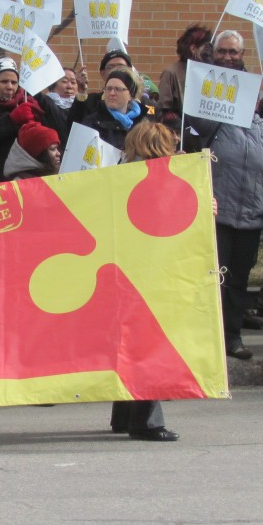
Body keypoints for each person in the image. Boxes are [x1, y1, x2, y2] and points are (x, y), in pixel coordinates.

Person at [184, 65, 263, 361]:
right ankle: (204, 339)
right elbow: (192, 116)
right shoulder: (215, 124)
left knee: (238, 283)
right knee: (211, 278)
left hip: (251, 220)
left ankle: (232, 336)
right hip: (217, 217)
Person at [110, 121, 183, 441]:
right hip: (151, 274)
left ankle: (124, 415)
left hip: (123, 273)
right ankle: (146, 420)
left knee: (129, 343)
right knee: (149, 346)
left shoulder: (119, 176)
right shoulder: (160, 181)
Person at [80, 68, 151, 154]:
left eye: (118, 89)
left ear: (131, 95)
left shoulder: (144, 125)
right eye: (108, 88)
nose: (112, 93)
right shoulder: (91, 122)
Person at [156, 23, 210, 126]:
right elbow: (163, 110)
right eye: (206, 47)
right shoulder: (171, 73)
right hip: (182, 134)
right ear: (193, 48)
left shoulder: (210, 72)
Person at [35, 67, 78, 145]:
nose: (70, 86)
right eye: (64, 81)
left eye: (73, 82)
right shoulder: (45, 103)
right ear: (53, 86)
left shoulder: (82, 105)